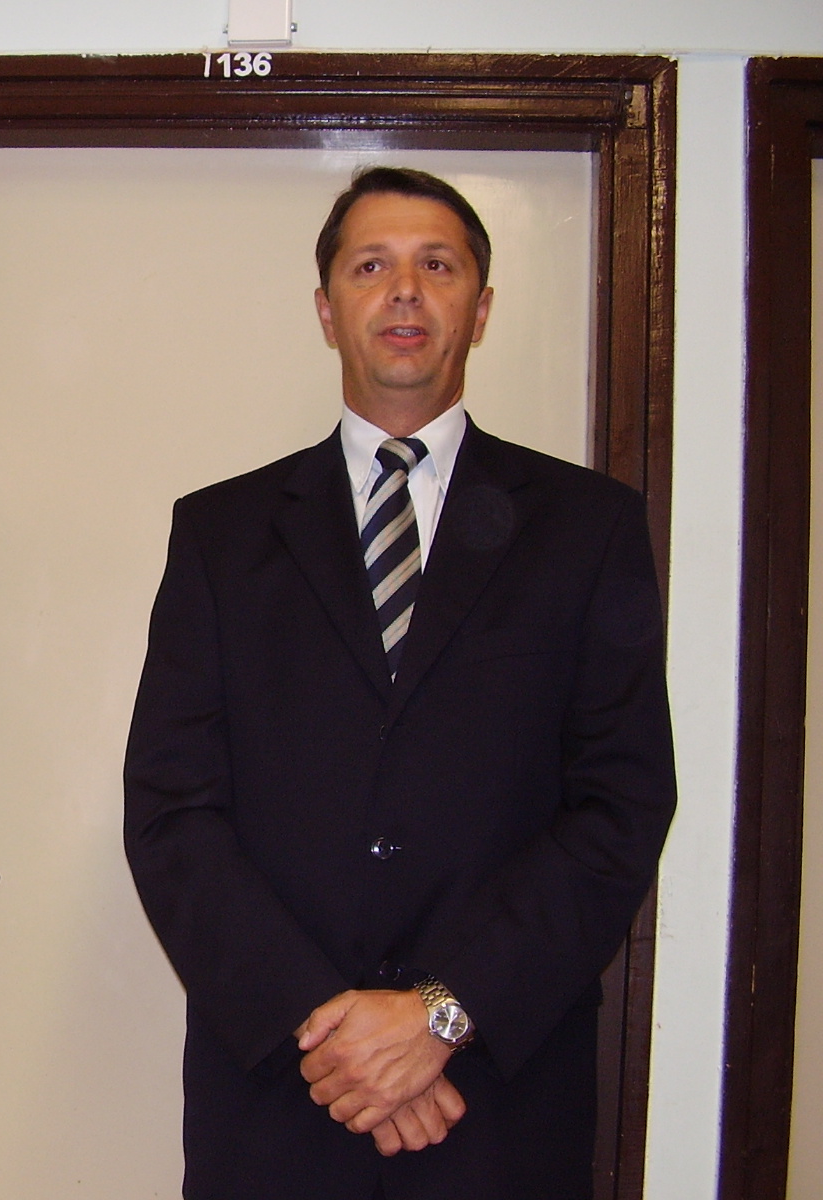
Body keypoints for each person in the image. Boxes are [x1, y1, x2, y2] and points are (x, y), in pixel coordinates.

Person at [123, 166, 676, 1199]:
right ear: (327, 310)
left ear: (481, 308)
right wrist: (333, 1033)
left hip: (497, 1094)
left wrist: (441, 1015)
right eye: (371, 267)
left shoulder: (587, 529)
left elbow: (622, 803)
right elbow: (171, 809)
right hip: (282, 1092)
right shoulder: (220, 534)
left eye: (438, 265)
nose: (405, 291)